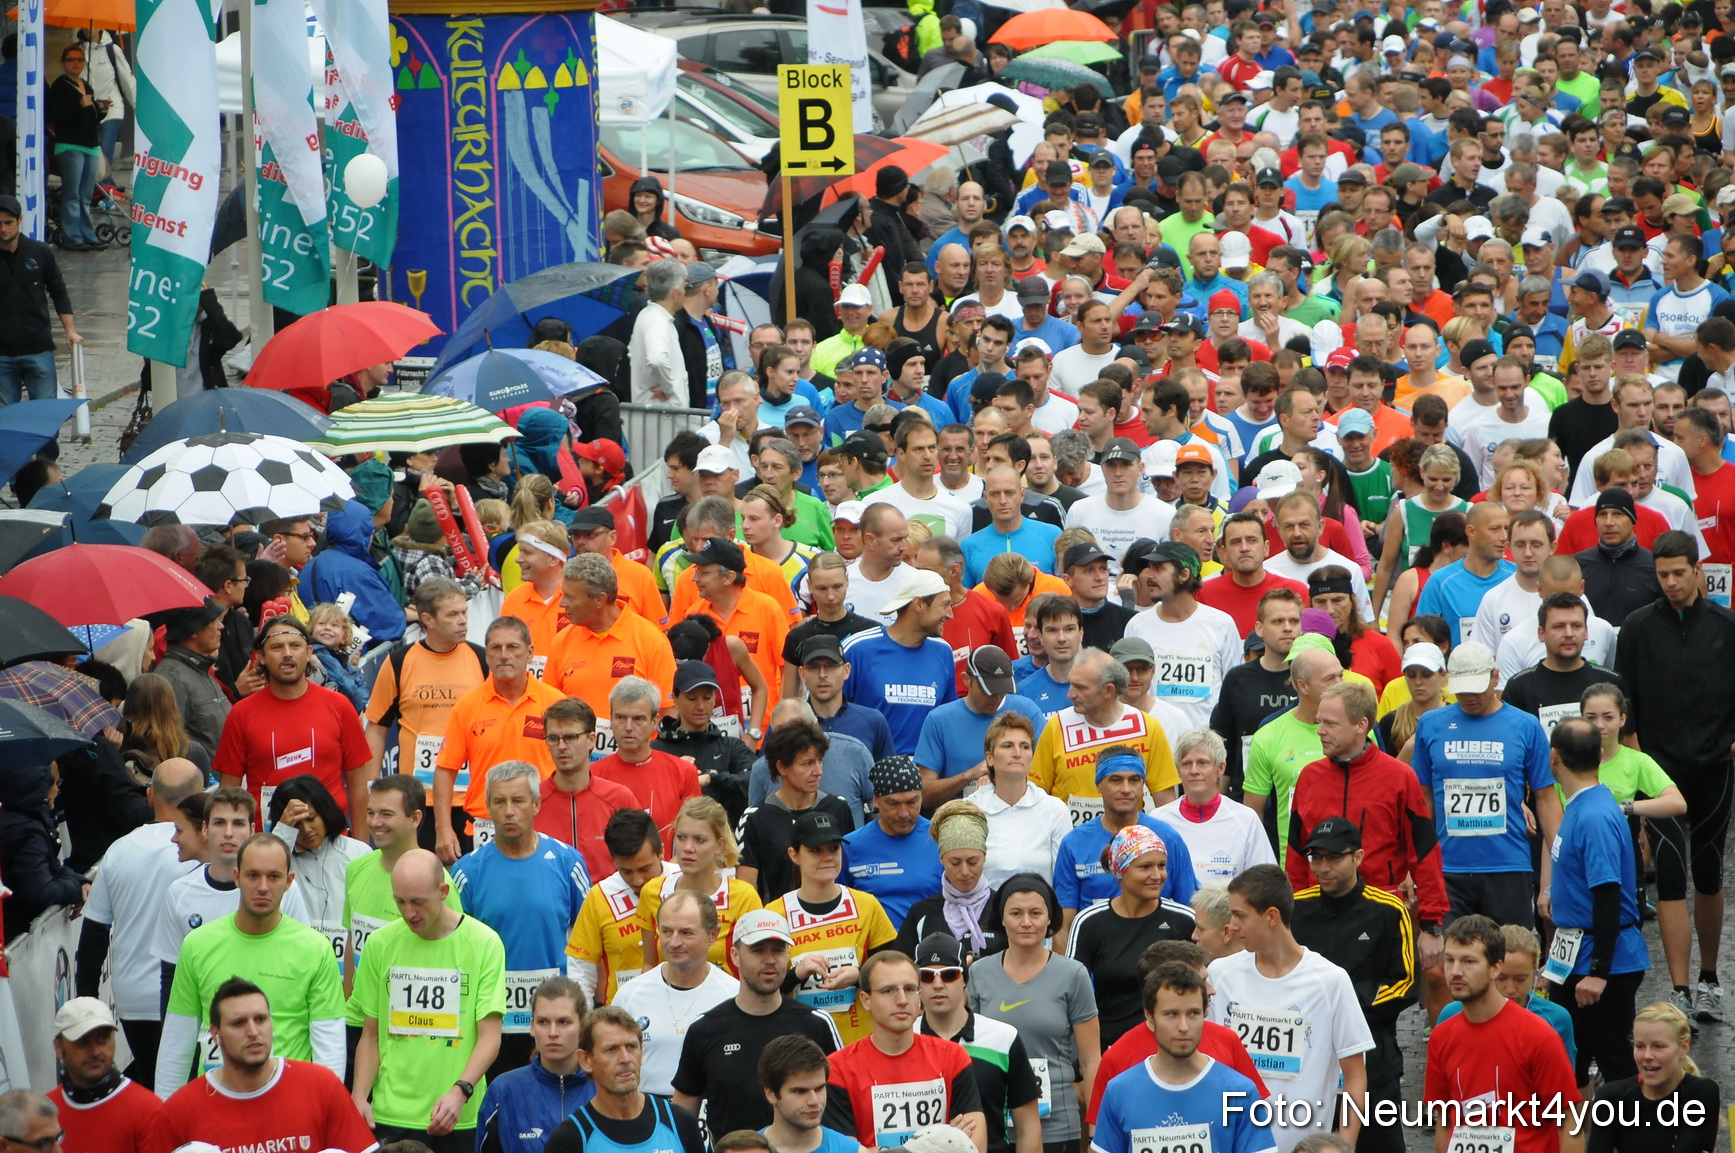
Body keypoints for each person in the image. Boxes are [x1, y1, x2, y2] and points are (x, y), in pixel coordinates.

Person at [1615, 530, 1735, 1022]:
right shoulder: (1638, 628)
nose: (1670, 582)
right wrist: (1638, 757)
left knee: (1708, 871)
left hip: (1714, 767)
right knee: (1668, 877)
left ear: (1697, 570)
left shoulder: (1727, 625)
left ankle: (1710, 977)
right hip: (1659, 771)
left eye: (1678, 573)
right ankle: (1681, 987)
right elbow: (1626, 705)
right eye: (1661, 575)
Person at [156, 834, 346, 1098]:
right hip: (216, 1102)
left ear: (289, 881)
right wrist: (166, 1113)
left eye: (274, 877)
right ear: (237, 877)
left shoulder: (316, 949)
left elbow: (330, 1045)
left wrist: (327, 1110)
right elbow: (177, 1041)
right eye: (253, 875)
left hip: (289, 1103)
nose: (263, 887)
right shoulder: (197, 945)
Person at [1207, 866, 1372, 1151]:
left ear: (1271, 916)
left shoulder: (1330, 980)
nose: (1231, 926)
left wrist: (1344, 1146)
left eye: (1239, 916)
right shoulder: (1220, 974)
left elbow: (1355, 1076)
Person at [351, 849, 507, 1152]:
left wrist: (460, 1091)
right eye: (400, 902)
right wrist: (359, 1097)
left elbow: (489, 1037)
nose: (409, 912)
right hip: (389, 1114)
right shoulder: (380, 944)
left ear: (443, 892)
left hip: (456, 1114)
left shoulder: (484, 943)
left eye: (418, 902)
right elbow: (370, 1034)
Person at [451, 762, 590, 1077]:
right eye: (499, 802)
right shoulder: (466, 872)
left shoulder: (568, 863)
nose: (509, 811)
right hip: (491, 1021)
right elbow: (455, 949)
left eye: (518, 801)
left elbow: (590, 943)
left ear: (537, 804)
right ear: (487, 807)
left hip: (555, 1021)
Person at [1410, 641, 1560, 929]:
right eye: (1461, 689)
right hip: (1448, 867)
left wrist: (1558, 867)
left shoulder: (1526, 726)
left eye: (1476, 688)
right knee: (1453, 962)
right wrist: (1415, 862)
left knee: (1511, 958)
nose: (1468, 697)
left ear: (1494, 677)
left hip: (1508, 865)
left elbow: (1546, 798)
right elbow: (1423, 799)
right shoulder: (1430, 724)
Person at [73, 758, 203, 1091]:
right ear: (201, 797)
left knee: (151, 1092)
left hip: (135, 998)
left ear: (150, 797)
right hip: (190, 996)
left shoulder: (118, 851)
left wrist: (86, 1006)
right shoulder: (203, 852)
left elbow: (93, 937)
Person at [1289, 818, 1417, 1153]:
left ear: (1358, 857)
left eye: (1333, 857)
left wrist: (1344, 1004)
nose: (1323, 867)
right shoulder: (1297, 907)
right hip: (1309, 1056)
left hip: (1373, 1057)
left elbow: (1405, 982)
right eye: (1316, 858)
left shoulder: (1388, 910)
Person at [1284, 682, 1449, 938]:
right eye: (1319, 722)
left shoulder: (1399, 777)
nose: (1320, 731)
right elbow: (1296, 852)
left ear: (1361, 725)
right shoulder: (1309, 777)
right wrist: (1294, 912)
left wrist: (1432, 923)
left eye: (1330, 724)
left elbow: (1424, 851)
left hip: (1382, 910)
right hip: (1319, 911)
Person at [146, 979, 375, 1153]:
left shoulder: (321, 1086)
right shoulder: (182, 1110)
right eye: (238, 1023)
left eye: (260, 1019)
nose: (253, 1032)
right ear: (216, 1034)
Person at [1543, 717, 1649, 1089]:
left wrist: (1598, 972)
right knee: (1570, 1061)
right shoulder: (1583, 805)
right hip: (1578, 954)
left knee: (1615, 1064)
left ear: (1554, 757)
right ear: (1600, 755)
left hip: (1601, 962)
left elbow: (1608, 895)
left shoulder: (1593, 815)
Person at [672, 909, 841, 1139]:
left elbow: (841, 1107)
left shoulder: (817, 1024)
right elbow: (682, 1117)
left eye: (778, 950)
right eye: (758, 950)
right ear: (735, 955)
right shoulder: (704, 1030)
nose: (770, 960)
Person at [1424, 915, 1582, 1153]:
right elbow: (1444, 1120)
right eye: (1449, 960)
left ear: (1495, 967)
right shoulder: (1441, 1035)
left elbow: (1569, 1123)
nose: (1455, 971)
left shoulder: (1539, 1036)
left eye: (1468, 962)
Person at [1092, 961, 1277, 1153]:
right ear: (1149, 1015)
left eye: (1193, 1014)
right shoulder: (1119, 1091)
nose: (1184, 1026)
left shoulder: (1239, 1092)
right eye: (1171, 1014)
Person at [821, 950, 986, 1152]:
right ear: (866, 1000)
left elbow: (973, 1147)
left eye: (909, 989)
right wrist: (938, 1144)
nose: (902, 1000)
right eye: (888, 990)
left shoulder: (953, 1057)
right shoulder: (838, 1069)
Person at [364, 579, 487, 848]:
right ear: (428, 619)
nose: (463, 620)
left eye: (464, 612)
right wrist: (373, 786)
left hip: (471, 795)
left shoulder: (481, 659)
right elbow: (377, 726)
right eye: (453, 614)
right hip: (417, 798)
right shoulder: (399, 661)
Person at [434, 617, 566, 863]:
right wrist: (443, 828)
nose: (504, 655)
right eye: (496, 648)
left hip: (545, 824)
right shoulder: (467, 707)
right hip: (484, 827)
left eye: (512, 647)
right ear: (487, 655)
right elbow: (445, 770)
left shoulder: (556, 703)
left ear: (529, 653)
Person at [213, 616, 372, 821]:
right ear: (261, 656)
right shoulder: (241, 714)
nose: (287, 654)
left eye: (295, 645)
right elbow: (229, 792)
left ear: (308, 653)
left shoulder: (339, 706)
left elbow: (358, 787)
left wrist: (362, 848)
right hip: (267, 843)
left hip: (330, 841)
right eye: (277, 647)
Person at [766, 810, 899, 1044]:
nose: (827, 857)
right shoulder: (774, 914)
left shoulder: (867, 905)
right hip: (798, 1044)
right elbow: (762, 987)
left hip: (861, 1041)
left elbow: (894, 970)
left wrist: (859, 975)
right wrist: (797, 974)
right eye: (816, 850)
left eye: (834, 848)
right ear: (794, 855)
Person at [151, 788, 313, 977]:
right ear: (205, 829)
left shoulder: (283, 888)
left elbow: (303, 956)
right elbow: (171, 975)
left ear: (252, 830)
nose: (228, 833)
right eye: (219, 823)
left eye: (238, 824)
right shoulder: (179, 893)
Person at [910, 932, 1042, 1153]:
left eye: (949, 974)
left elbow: (1028, 1127)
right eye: (926, 976)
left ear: (964, 980)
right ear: (917, 984)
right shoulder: (903, 1039)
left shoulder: (1003, 1037)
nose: (938, 984)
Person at [1068, 826, 1196, 1046]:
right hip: (1109, 1048)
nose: (1157, 876)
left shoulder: (1184, 920)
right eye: (1145, 867)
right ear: (1120, 870)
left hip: (1171, 1050)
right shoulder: (1089, 922)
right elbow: (1070, 991)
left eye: (1162, 866)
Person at [1031, 647, 1180, 830]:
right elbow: (1036, 796)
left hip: (1132, 846)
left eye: (1080, 687)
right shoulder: (1057, 726)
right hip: (1072, 845)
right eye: (1071, 684)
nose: (1070, 694)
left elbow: (1166, 804)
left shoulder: (1147, 727)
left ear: (1108, 691)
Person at [611, 890, 737, 1096]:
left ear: (713, 935)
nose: (674, 942)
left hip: (710, 1113)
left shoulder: (733, 995)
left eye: (686, 933)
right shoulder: (631, 994)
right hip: (647, 1113)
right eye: (667, 931)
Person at [546, 553, 678, 740]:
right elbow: (550, 710)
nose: (562, 603)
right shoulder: (561, 642)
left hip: (635, 762)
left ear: (600, 599)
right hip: (580, 765)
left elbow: (668, 713)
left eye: (570, 597)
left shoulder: (651, 641)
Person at [1123, 541, 1242, 728]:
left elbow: (1234, 688)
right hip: (1156, 739)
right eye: (1149, 568)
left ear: (1184, 574)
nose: (1149, 576)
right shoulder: (1137, 625)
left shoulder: (1221, 624)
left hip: (1206, 744)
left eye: (1159, 568)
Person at [841, 570, 959, 755]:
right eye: (944, 605)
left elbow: (948, 721)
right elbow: (831, 713)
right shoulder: (858, 649)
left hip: (925, 777)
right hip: (871, 774)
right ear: (919, 604)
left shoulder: (943, 652)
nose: (950, 615)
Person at [475, 975, 596, 1153]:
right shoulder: (504, 1091)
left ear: (582, 1025)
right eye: (543, 1022)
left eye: (563, 1022)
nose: (553, 1032)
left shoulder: (603, 1088)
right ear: (532, 1026)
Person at [567, 809, 671, 1009]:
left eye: (645, 869)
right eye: (626, 872)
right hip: (623, 1015)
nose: (637, 880)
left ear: (662, 852)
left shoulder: (683, 883)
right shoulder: (600, 896)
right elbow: (580, 970)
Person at [914, 645, 1044, 804]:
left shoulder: (1027, 711)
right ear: (966, 680)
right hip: (959, 818)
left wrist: (1001, 779)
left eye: (1002, 690)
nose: (995, 698)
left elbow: (1046, 776)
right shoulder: (939, 719)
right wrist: (969, 775)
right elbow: (923, 793)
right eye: (988, 691)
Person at [1585, 1002, 1720, 1153]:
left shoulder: (1700, 1093)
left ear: (1684, 1047)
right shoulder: (1611, 1097)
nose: (1647, 1056)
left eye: (1659, 1046)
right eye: (1640, 1046)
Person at [262, 774, 370, 956]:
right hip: (295, 957)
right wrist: (283, 830)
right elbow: (264, 868)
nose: (306, 829)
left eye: (311, 818)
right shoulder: (281, 859)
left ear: (325, 812)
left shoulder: (358, 854)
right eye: (296, 824)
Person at [593, 676, 704, 853]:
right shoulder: (591, 775)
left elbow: (695, 839)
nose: (628, 727)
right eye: (621, 717)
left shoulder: (683, 773)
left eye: (638, 719)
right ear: (610, 719)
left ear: (655, 721)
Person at [536, 697, 639, 884]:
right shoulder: (532, 801)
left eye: (570, 737)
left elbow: (643, 861)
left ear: (591, 739)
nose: (561, 747)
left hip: (608, 908)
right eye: (553, 738)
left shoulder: (619, 798)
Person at [1154, 728, 1275, 884]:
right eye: (1186, 764)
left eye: (1202, 763)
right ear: (1178, 770)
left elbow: (1265, 882)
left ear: (1221, 768)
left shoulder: (1246, 819)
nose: (1194, 771)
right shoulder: (1158, 820)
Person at [44, 998, 160, 1153]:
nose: (95, 1051)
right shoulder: (43, 1112)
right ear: (58, 1047)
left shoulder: (148, 1110)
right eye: (82, 1041)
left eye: (102, 1039)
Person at [841, 757, 943, 928]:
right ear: (876, 800)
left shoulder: (940, 838)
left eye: (912, 802)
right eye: (893, 804)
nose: (903, 813)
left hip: (929, 948)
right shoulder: (850, 847)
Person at [971, 712, 1069, 888]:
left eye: (1025, 747)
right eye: (1007, 746)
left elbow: (1064, 882)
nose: (1017, 753)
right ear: (989, 757)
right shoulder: (970, 809)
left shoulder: (1055, 810)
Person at [0, 191, 79, 403]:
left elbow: (59, 291)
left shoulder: (39, 252)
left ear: (20, 220)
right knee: (6, 419)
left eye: (8, 222)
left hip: (38, 346)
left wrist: (70, 330)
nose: (3, 229)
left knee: (45, 412)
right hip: (2, 352)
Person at [1062, 439, 1175, 575]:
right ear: (1102, 469)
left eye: (1126, 465)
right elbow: (1068, 564)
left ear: (1140, 469)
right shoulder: (1080, 510)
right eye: (1111, 465)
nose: (1118, 473)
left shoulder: (1164, 514)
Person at [154, 598, 233, 756]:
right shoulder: (171, 679)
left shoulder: (201, 671)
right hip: (202, 779)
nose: (221, 626)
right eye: (213, 621)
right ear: (193, 631)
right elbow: (169, 746)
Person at [753, 1035, 860, 1153]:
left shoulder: (852, 1150)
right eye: (800, 1091)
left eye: (819, 1089)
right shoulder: (746, 1151)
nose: (814, 1101)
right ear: (771, 1094)